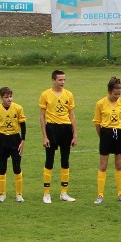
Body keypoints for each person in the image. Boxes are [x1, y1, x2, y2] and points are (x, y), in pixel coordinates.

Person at [39, 69, 77, 203]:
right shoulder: (45, 95)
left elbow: (72, 115)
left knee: (65, 161)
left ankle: (64, 193)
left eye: (64, 80)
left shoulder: (69, 95)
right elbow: (42, 116)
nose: (63, 82)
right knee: (49, 161)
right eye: (60, 80)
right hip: (52, 128)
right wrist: (45, 136)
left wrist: (75, 135)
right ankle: (46, 193)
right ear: (53, 80)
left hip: (66, 129)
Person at [93, 76, 121, 204]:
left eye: (119, 94)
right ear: (109, 91)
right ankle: (100, 195)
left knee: (119, 165)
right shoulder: (100, 103)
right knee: (103, 166)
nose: (117, 96)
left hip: (119, 132)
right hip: (106, 133)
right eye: (115, 94)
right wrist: (102, 136)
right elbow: (97, 123)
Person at [0, 86, 26, 202]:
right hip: (2, 139)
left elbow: (23, 125)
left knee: (16, 166)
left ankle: (19, 194)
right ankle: (2, 194)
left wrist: (23, 141)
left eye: (11, 96)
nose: (9, 99)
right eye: (6, 97)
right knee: (2, 167)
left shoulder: (18, 108)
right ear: (1, 98)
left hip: (15, 139)